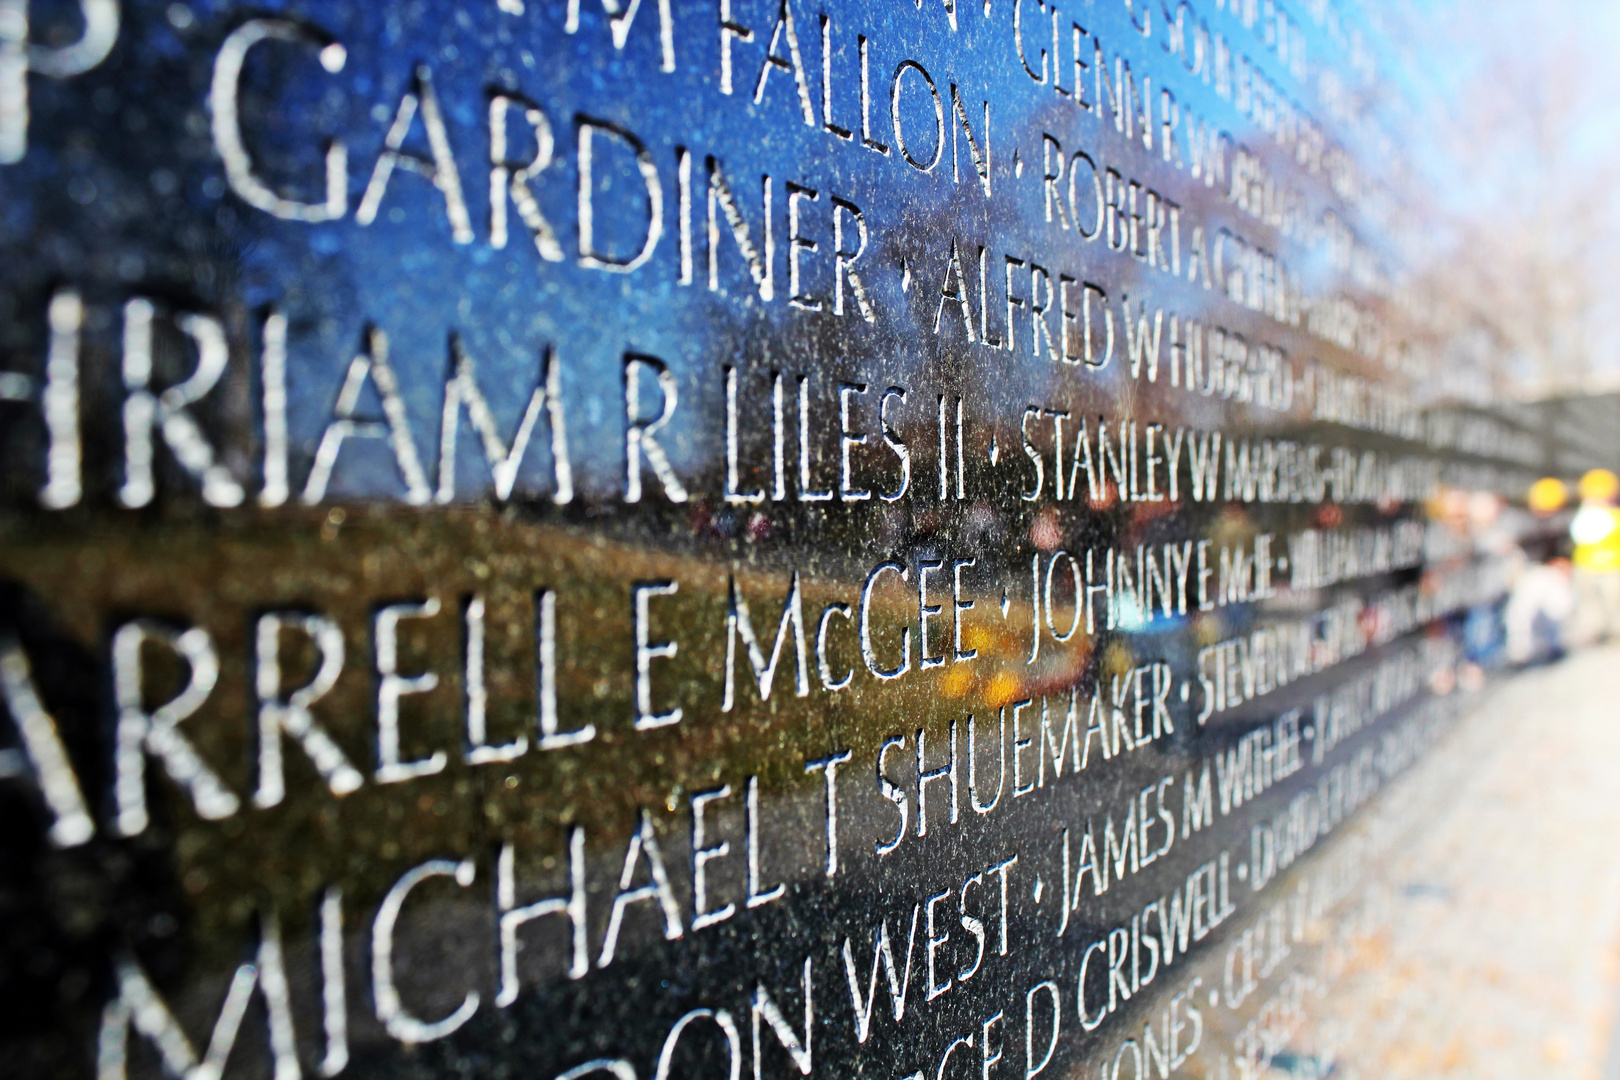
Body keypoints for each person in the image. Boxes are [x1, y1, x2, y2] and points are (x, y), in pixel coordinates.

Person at [1569, 468, 1620, 644]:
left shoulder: (1614, 516)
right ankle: (1595, 631)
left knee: (1612, 601)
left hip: (1611, 565)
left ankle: (1614, 632)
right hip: (1586, 565)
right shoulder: (1583, 516)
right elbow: (1579, 536)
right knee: (1589, 602)